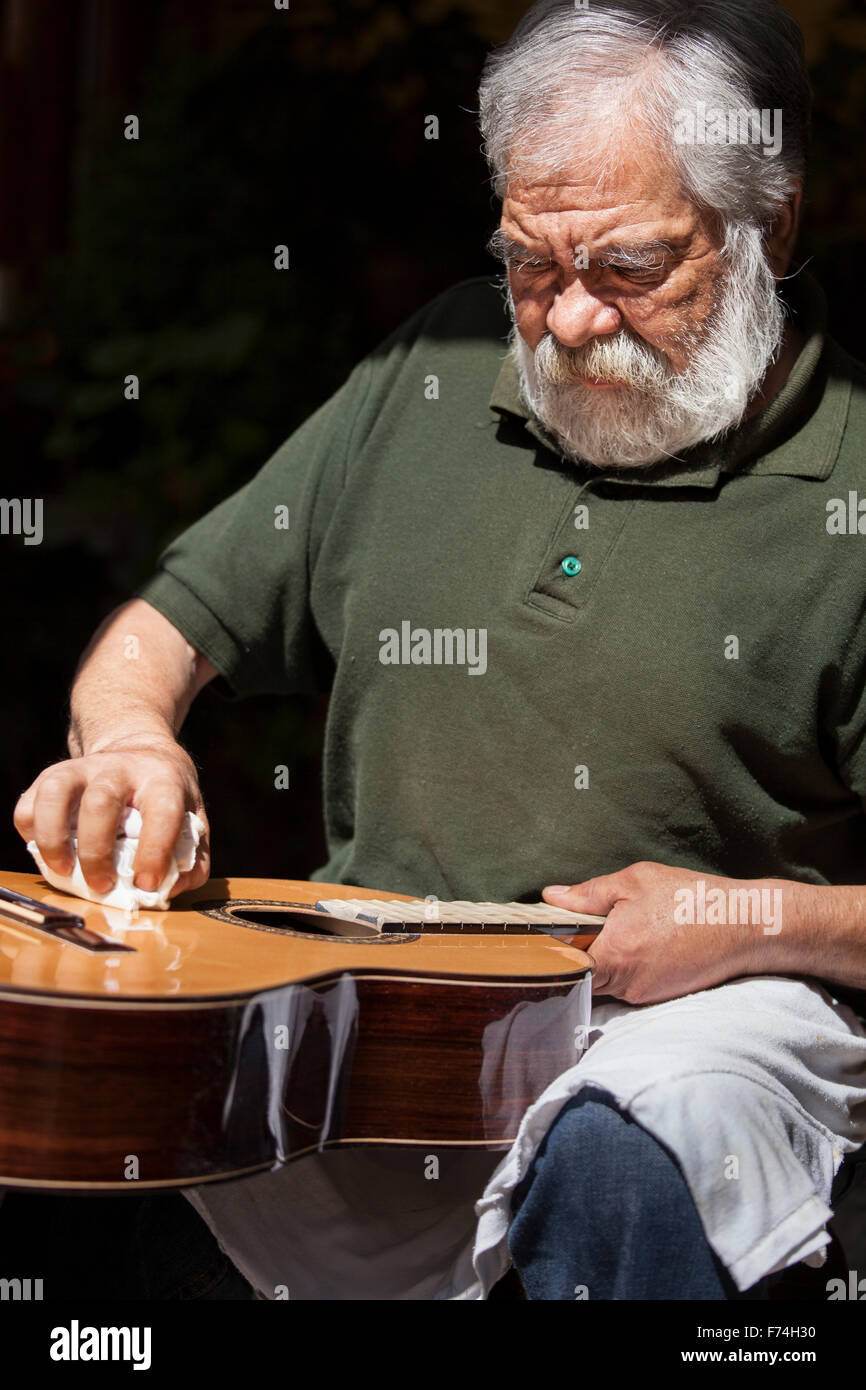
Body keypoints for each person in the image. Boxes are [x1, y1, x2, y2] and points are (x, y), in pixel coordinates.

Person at [15, 0, 866, 1299]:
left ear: (772, 224)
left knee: (633, 1144)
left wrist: (750, 916)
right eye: (533, 264)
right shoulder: (437, 363)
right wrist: (129, 736)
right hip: (369, 1020)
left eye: (630, 269)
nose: (569, 323)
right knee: (74, 1095)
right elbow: (166, 627)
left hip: (705, 1018)